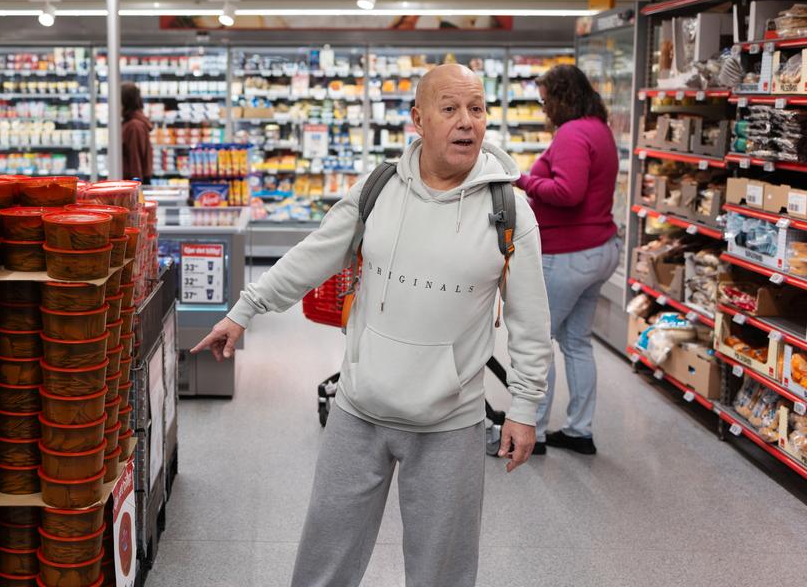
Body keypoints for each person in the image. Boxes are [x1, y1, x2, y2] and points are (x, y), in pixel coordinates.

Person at [192, 64, 552, 587]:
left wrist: (523, 407)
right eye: (449, 108)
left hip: (450, 425)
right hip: (358, 411)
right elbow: (315, 255)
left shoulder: (511, 210)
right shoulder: (378, 188)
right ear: (417, 119)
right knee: (324, 563)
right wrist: (244, 309)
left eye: (476, 109)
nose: (466, 122)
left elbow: (530, 319)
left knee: (441, 572)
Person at [516, 63, 621, 456]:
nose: (544, 111)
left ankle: (534, 432)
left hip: (568, 256)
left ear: (562, 98)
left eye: (546, 102)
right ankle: (579, 430)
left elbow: (568, 192)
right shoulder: (598, 128)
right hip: (599, 248)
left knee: (537, 340)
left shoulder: (574, 133)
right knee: (576, 342)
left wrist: (522, 181)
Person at [120, 82, 153, 181]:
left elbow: (135, 160)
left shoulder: (134, 126)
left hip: (133, 183)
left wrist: (136, 186)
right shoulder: (131, 122)